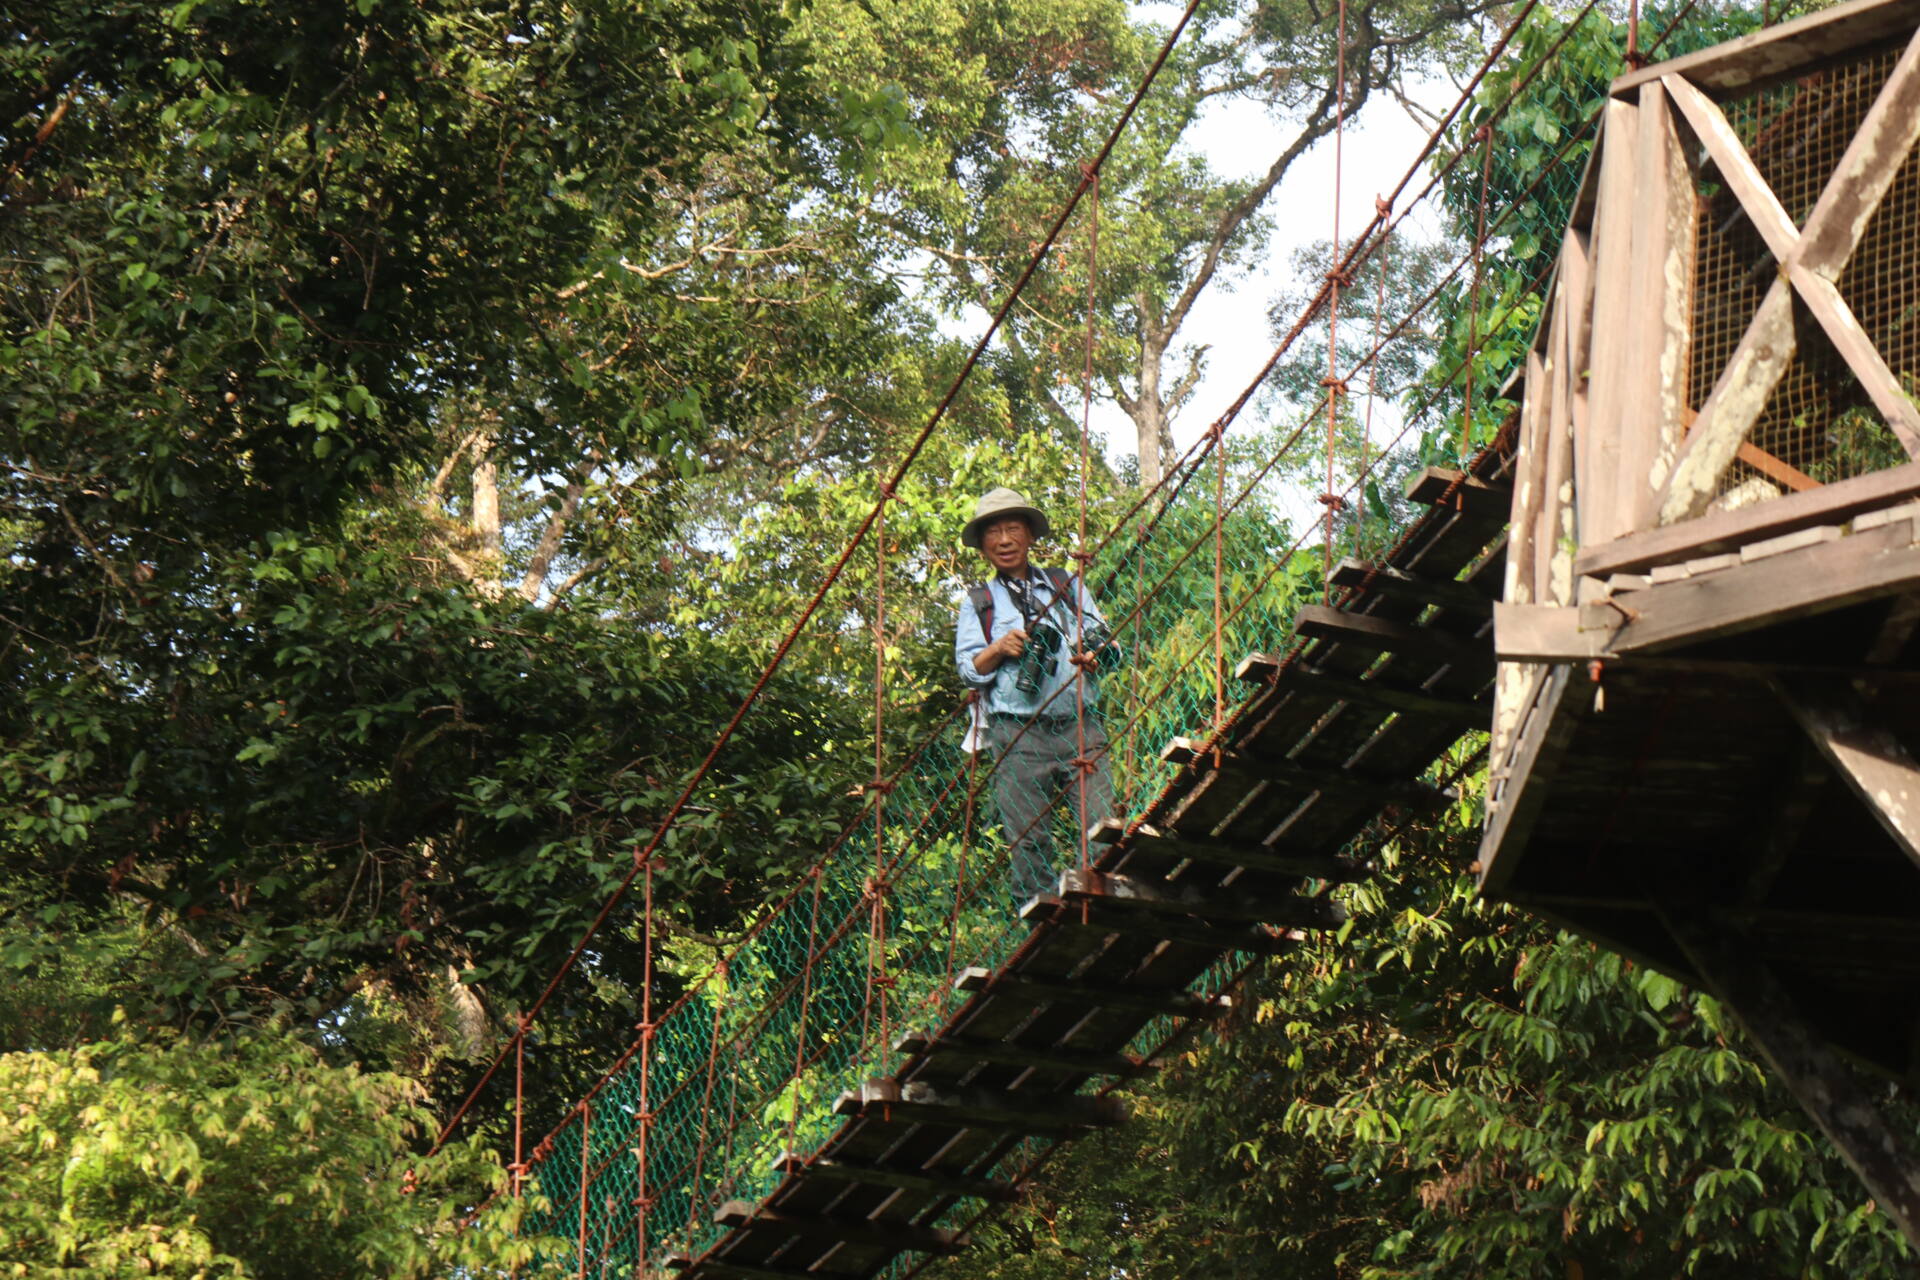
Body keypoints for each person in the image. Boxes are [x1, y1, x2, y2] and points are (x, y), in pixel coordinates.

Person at [953, 487, 1116, 905]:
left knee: (1101, 823)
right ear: (983, 546)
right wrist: (999, 649)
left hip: (1080, 725)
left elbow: (1108, 642)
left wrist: (1096, 655)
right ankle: (1038, 924)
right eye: (994, 533)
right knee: (1028, 839)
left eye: (1013, 529)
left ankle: (1103, 900)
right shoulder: (979, 602)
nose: (1004, 540)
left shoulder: (1067, 584)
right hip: (1018, 735)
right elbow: (969, 669)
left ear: (1029, 536)